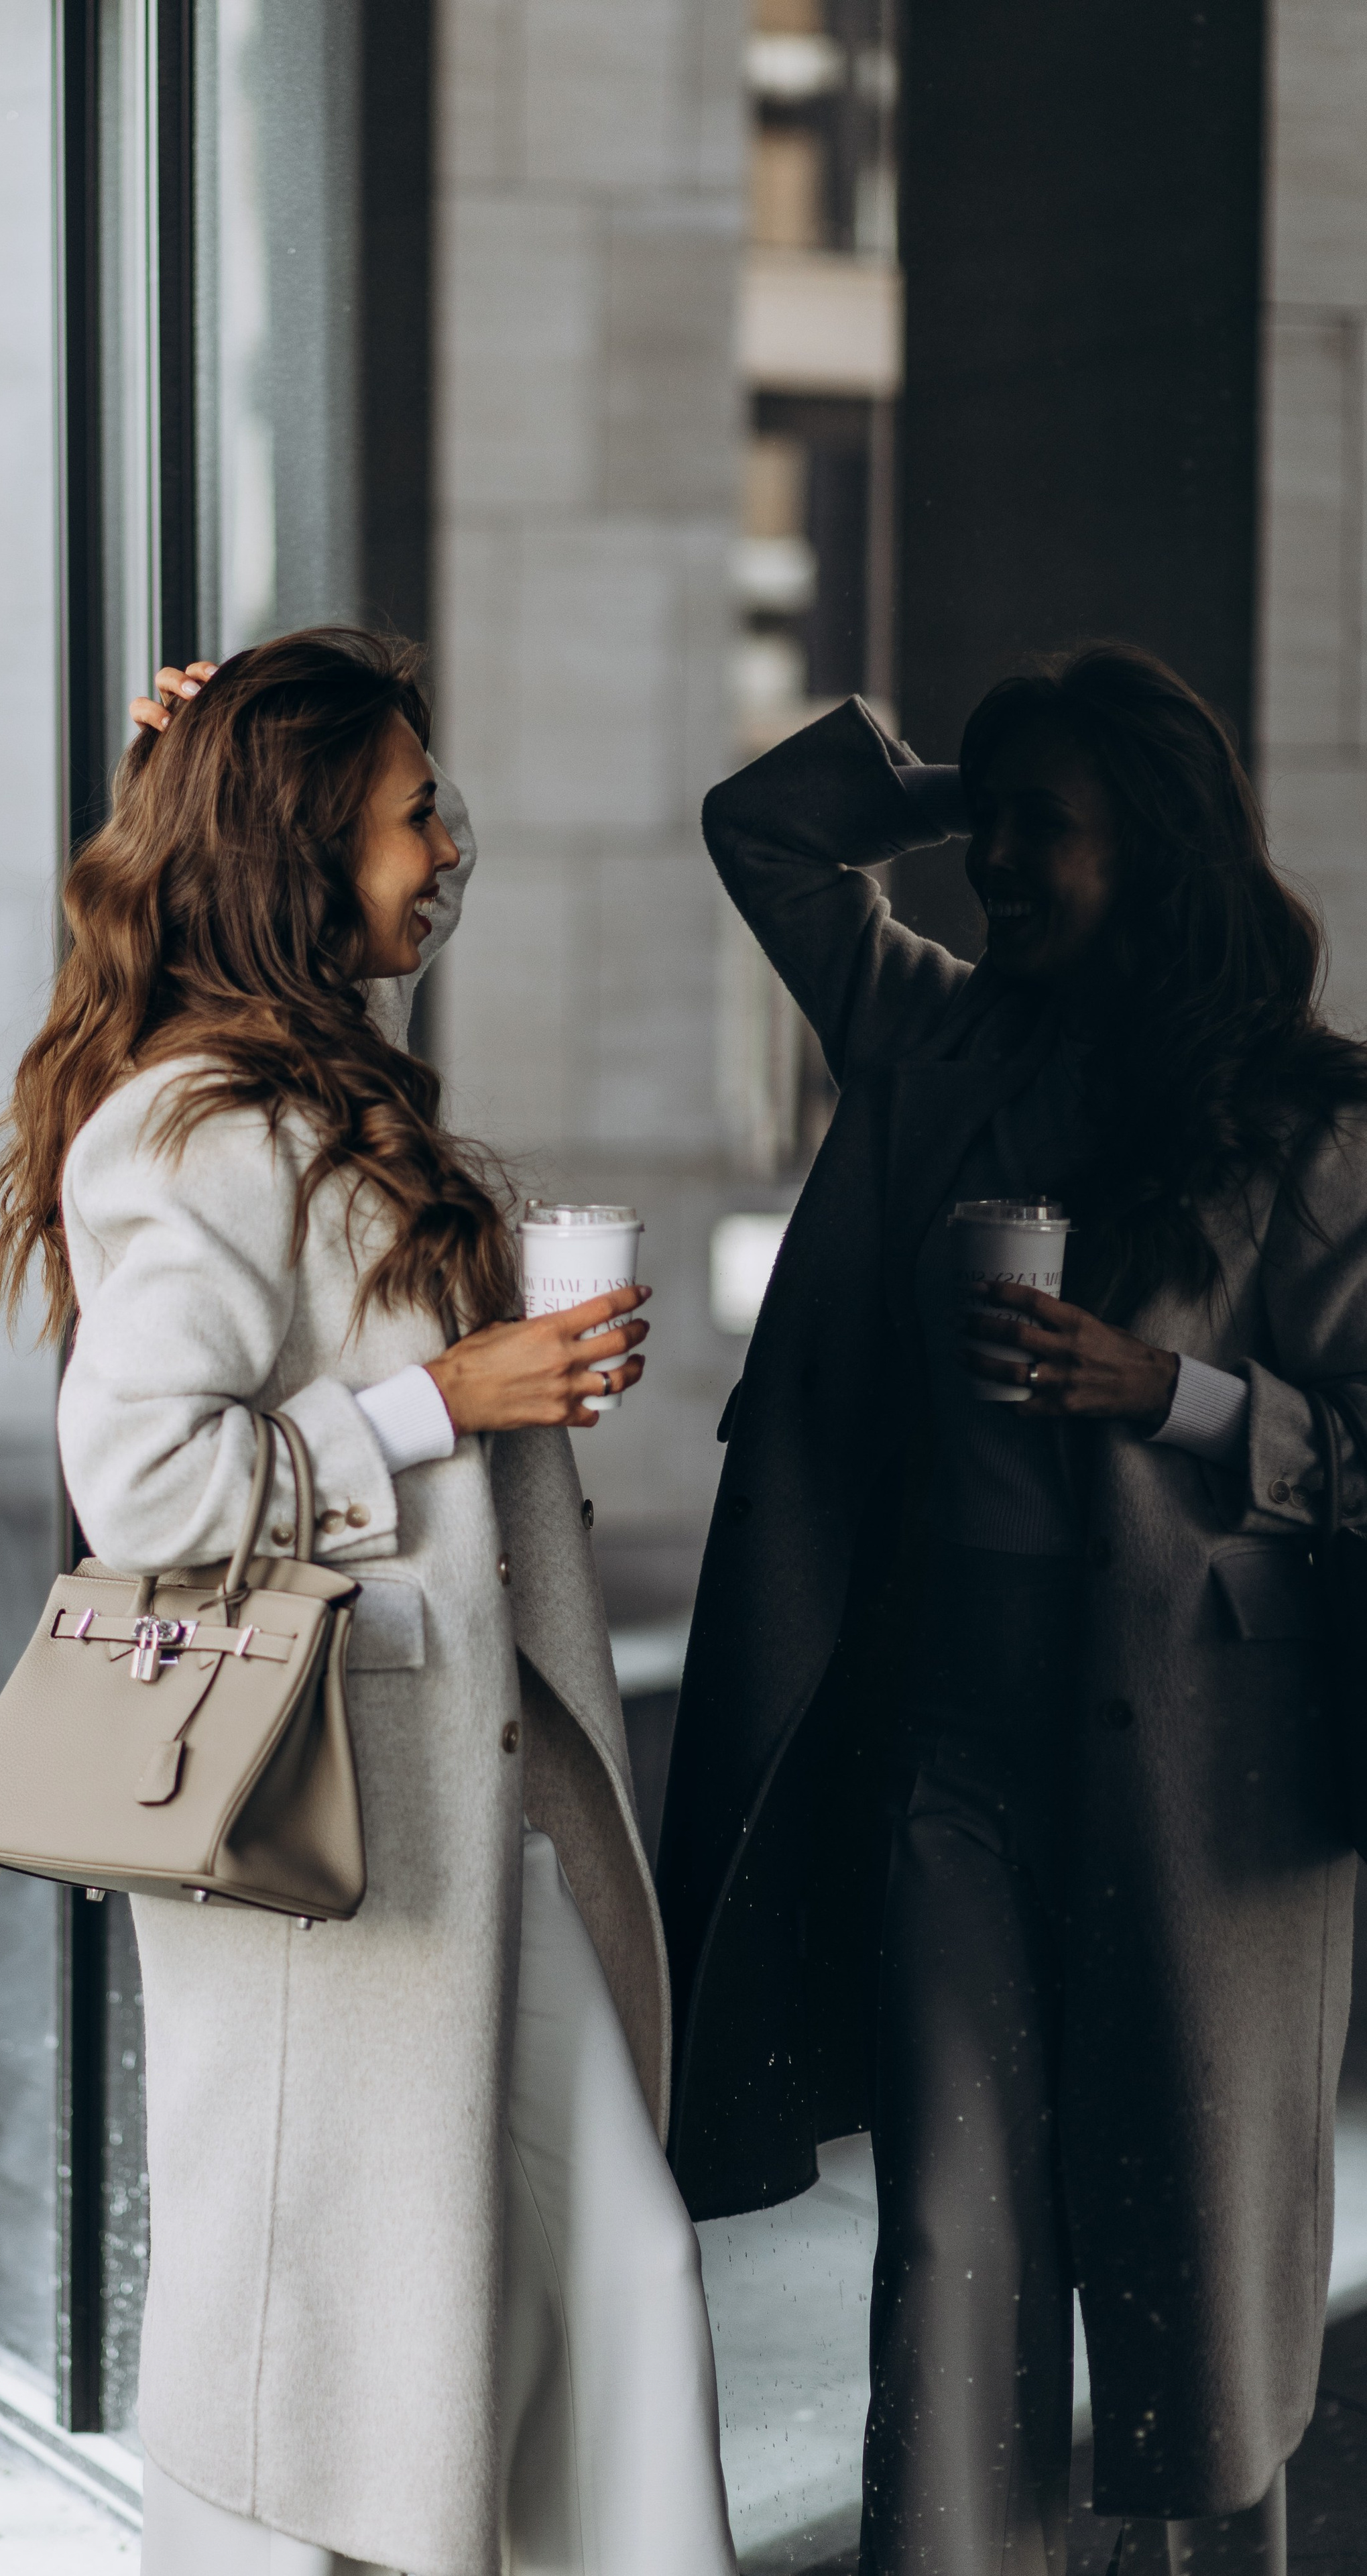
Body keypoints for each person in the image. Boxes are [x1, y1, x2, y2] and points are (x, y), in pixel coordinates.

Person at [0, 628, 737, 2576]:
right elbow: (139, 1474)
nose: (446, 850)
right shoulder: (191, 1124)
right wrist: (441, 1398)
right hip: (327, 1829)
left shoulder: (310, 1088)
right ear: (309, 850)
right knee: (304, 2345)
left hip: (445, 1818)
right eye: (413, 813)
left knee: (591, 2269)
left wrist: (487, 1382)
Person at [655, 645, 1367, 2576]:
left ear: (1156, 845)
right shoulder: (931, 1037)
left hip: (1203, 1768)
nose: (995, 867)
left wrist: (1175, 1392)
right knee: (956, 2235)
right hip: (948, 1739)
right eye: (990, 829)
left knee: (1195, 2263)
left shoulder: (1307, 1120)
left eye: (1042, 833)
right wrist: (989, 764)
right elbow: (766, 830)